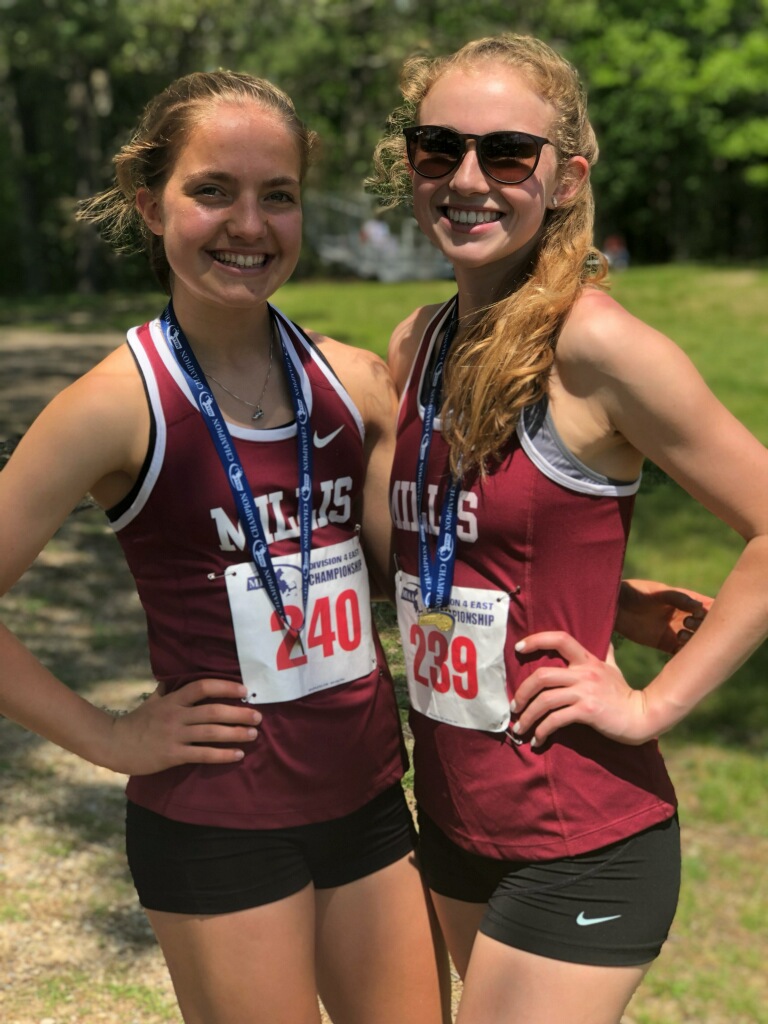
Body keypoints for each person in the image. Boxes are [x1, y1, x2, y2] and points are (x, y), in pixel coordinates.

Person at [0, 71, 447, 1024]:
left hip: (369, 800)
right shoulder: (116, 405)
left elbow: (420, 563)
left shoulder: (353, 381)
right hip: (218, 827)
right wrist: (111, 737)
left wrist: (611, 605)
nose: (249, 223)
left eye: (276, 195)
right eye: (213, 190)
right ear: (149, 206)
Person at [368, 33, 768, 1024]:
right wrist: (609, 599)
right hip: (457, 816)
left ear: (565, 174)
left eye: (506, 153)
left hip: (582, 827)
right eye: (438, 150)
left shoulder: (594, 346)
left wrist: (651, 706)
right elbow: (437, 550)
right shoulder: (418, 342)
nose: (468, 179)